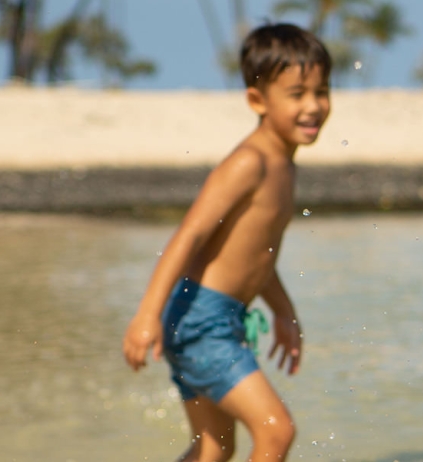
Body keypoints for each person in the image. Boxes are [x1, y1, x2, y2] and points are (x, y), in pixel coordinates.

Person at [121, 23, 330, 462]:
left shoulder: (285, 168)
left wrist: (284, 311)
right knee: (276, 431)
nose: (313, 106)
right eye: (297, 94)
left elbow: (257, 254)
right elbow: (189, 236)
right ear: (257, 100)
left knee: (214, 448)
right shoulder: (249, 163)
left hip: (218, 318)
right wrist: (146, 315)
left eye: (321, 91)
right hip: (201, 321)